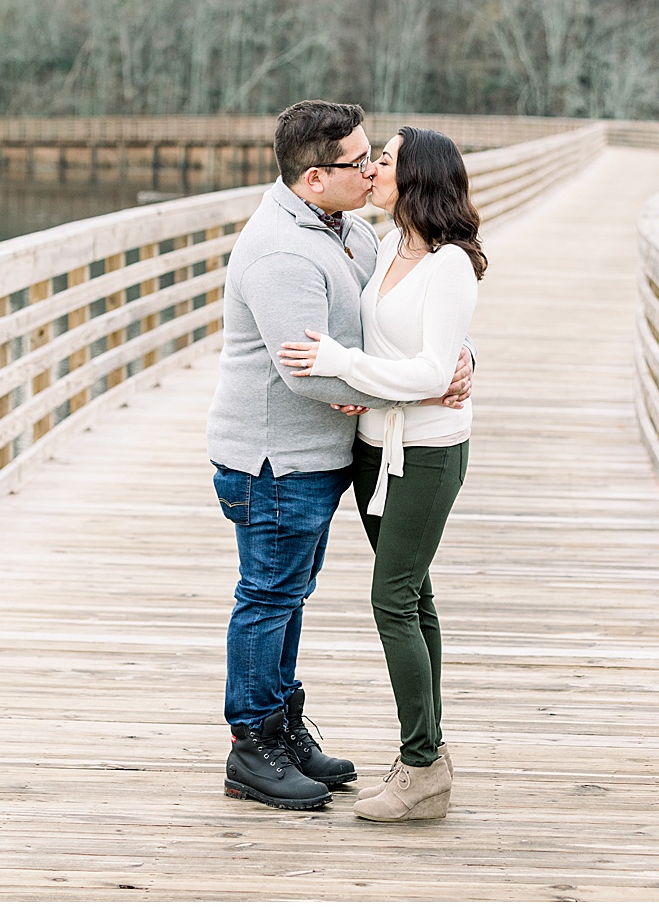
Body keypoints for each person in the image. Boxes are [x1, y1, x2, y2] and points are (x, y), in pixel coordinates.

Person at [208, 101, 473, 811]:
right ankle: (252, 746)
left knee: (288, 596)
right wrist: (376, 380)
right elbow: (305, 369)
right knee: (267, 598)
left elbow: (402, 317)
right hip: (274, 458)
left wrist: (456, 357)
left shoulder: (354, 230)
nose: (370, 168)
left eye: (374, 156)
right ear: (316, 178)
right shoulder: (281, 251)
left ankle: (284, 727)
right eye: (359, 161)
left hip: (321, 454)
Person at [278, 127, 485, 823]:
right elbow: (385, 344)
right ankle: (430, 755)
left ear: (416, 175)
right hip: (374, 446)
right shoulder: (384, 245)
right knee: (414, 594)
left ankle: (421, 765)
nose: (371, 169)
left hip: (427, 451)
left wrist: (344, 367)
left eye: (384, 160)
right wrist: (356, 378)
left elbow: (432, 370)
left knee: (391, 598)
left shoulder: (450, 264)